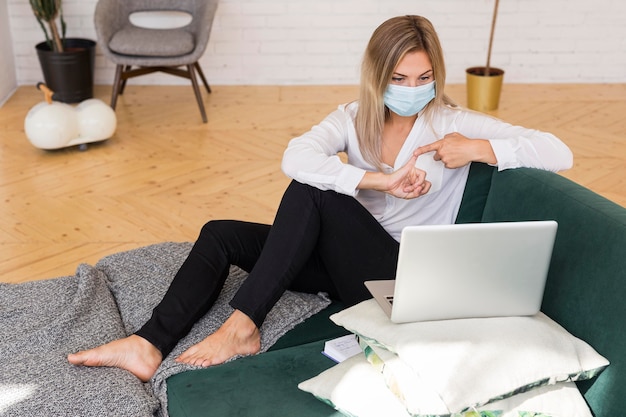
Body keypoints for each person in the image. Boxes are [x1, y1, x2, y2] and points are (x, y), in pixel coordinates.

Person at [67, 15, 573, 382]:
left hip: (403, 274)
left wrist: (478, 147)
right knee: (221, 234)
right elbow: (296, 156)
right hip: (344, 266)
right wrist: (380, 181)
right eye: (398, 79)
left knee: (314, 193)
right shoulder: (353, 117)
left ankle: (244, 325)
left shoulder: (452, 122)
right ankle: (147, 344)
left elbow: (557, 151)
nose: (413, 89)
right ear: (378, 77)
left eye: (423, 78)